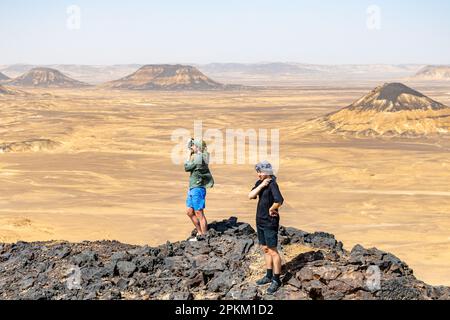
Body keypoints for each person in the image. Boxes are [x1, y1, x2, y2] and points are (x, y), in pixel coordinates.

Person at [248, 160, 284, 294]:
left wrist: (272, 209)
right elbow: (250, 195)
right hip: (260, 221)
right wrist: (262, 185)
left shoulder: (273, 184)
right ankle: (268, 275)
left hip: (270, 222)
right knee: (265, 249)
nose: (258, 174)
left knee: (273, 250)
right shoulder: (261, 183)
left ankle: (276, 279)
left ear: (267, 172)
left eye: (260, 172)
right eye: (257, 172)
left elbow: (279, 200)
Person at [184, 138, 214, 241]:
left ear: (197, 148)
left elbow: (186, 167)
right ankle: (199, 233)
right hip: (193, 187)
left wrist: (188, 154)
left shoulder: (200, 157)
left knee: (199, 213)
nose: (191, 147)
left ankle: (204, 237)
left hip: (197, 188)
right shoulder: (200, 156)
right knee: (189, 211)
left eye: (193, 146)